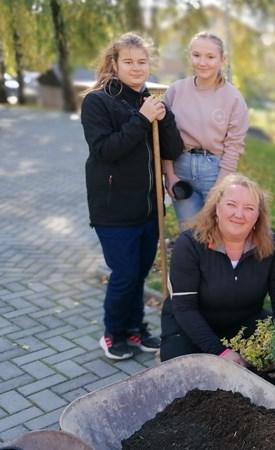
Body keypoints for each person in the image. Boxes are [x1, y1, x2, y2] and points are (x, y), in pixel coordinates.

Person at [81, 32, 183, 360]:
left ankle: (136, 329)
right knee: (124, 275)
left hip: (150, 207)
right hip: (113, 209)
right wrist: (142, 119)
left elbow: (173, 149)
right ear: (114, 63)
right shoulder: (97, 101)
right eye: (128, 61)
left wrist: (163, 120)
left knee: (138, 274)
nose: (136, 68)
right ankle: (114, 333)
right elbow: (106, 150)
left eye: (142, 61)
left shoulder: (151, 100)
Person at [159, 173, 275, 364]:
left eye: (249, 208)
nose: (239, 214)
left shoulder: (271, 243)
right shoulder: (190, 244)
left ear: (258, 215)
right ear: (216, 208)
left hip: (244, 324)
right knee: (182, 372)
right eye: (231, 205)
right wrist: (219, 352)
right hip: (189, 326)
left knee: (273, 370)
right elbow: (184, 308)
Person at [162, 32, 250, 229]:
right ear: (189, 56)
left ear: (222, 59)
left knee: (216, 230)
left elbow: (234, 145)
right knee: (189, 231)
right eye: (196, 55)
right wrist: (169, 174)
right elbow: (164, 136)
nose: (202, 62)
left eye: (210, 57)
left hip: (215, 168)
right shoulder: (175, 91)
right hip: (180, 166)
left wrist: (220, 185)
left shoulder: (233, 98)